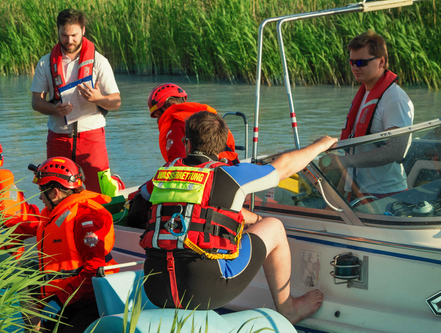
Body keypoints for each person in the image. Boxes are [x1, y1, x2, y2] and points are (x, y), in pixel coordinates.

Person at [134, 111, 337, 324]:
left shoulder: (165, 173)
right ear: (223, 147)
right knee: (274, 226)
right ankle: (288, 309)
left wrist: (253, 219)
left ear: (187, 143)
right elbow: (284, 167)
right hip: (205, 291)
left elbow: (197, 210)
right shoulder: (231, 175)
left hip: (156, 289)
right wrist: (322, 144)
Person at [31, 9, 123, 197]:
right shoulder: (45, 63)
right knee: (55, 193)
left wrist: (98, 98)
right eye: (64, 35)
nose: (69, 40)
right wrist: (54, 108)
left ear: (83, 30)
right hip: (58, 138)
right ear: (58, 31)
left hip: (92, 138)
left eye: (74, 35)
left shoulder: (99, 62)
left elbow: (116, 102)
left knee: (99, 194)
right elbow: (36, 102)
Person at [321, 30, 414, 201]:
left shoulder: (395, 99)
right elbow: (354, 149)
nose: (355, 67)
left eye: (361, 62)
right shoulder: (365, 94)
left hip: (385, 194)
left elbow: (396, 151)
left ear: (381, 62)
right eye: (352, 62)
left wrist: (343, 162)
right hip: (358, 192)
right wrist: (340, 194)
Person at [29, 156, 118, 332]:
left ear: (55, 192)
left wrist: (59, 301)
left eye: (41, 191)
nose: (40, 197)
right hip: (65, 298)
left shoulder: (86, 219)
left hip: (89, 301)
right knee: (26, 294)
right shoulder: (54, 214)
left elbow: (93, 268)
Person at [147, 83, 239, 164]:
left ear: (159, 112)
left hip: (207, 174)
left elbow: (177, 165)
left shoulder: (176, 126)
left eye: (157, 115)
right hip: (229, 165)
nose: (158, 121)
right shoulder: (208, 118)